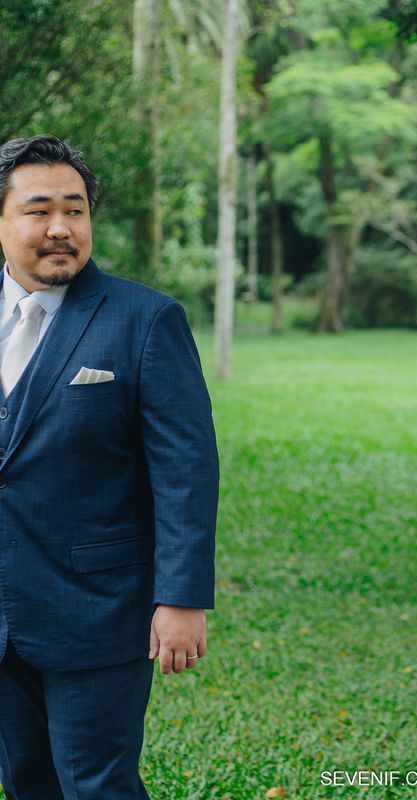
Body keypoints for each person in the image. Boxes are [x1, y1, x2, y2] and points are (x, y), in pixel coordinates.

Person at [0, 135, 218, 799]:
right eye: (39, 211)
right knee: (25, 783)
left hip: (96, 609)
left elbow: (186, 469)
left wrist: (181, 598)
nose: (61, 228)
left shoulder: (145, 320)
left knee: (96, 785)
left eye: (76, 210)